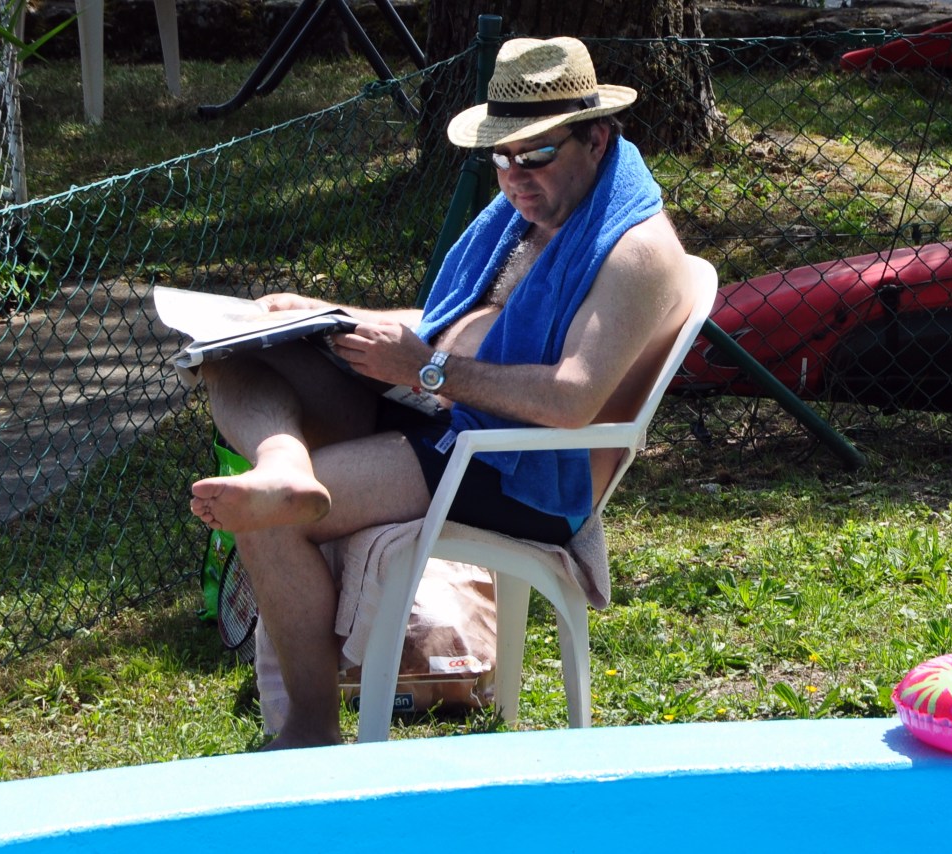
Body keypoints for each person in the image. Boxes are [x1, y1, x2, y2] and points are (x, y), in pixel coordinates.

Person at [189, 36, 693, 749]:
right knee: (236, 352)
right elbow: (456, 324)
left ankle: (309, 732)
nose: (515, 178)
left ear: (597, 138)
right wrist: (333, 316)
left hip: (514, 466)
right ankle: (285, 465)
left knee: (267, 522)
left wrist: (426, 371)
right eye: (501, 157)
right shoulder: (540, 213)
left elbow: (571, 401)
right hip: (448, 415)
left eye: (536, 154)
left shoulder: (637, 252)